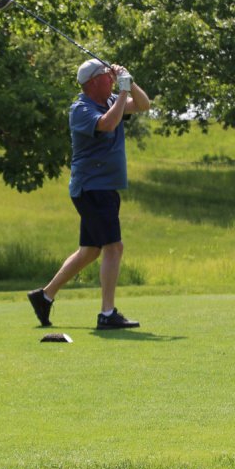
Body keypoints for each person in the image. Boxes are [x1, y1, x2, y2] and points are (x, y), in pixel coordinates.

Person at [27, 58, 150, 330]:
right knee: (114, 247)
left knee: (91, 251)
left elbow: (144, 105)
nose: (111, 78)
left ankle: (44, 296)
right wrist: (124, 91)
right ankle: (107, 314)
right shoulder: (81, 109)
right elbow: (108, 124)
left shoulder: (111, 100)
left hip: (104, 187)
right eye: (107, 75)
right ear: (94, 82)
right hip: (92, 187)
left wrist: (129, 82)